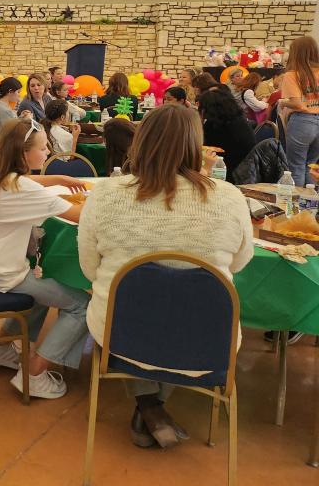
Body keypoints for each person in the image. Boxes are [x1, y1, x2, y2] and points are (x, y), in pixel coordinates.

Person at [78, 104, 253, 448]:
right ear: (196, 146)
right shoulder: (230, 198)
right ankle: (152, 405)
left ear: (139, 142)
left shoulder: (107, 194)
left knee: (134, 302)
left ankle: (147, 403)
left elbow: (89, 269)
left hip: (122, 335)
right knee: (184, 308)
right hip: (206, 342)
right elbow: (240, 263)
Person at [0, 118, 90, 399]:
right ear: (23, 154)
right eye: (42, 147)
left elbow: (28, 180)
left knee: (46, 284)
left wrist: (59, 179)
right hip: (5, 275)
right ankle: (35, 374)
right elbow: (83, 216)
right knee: (83, 306)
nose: (48, 151)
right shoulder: (24, 190)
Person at [278, 35, 319, 185]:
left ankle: (296, 205)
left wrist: (283, 103)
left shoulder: (292, 74)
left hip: (303, 121)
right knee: (312, 167)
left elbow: (297, 104)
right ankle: (310, 203)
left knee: (296, 166)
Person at [198, 87, 256, 181]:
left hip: (228, 173)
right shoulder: (238, 119)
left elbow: (202, 148)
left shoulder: (215, 125)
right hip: (246, 171)